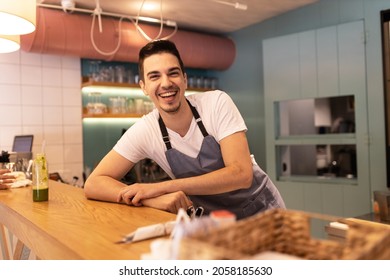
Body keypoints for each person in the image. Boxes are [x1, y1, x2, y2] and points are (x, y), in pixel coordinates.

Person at [84, 40, 285, 219]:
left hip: (264, 213)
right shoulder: (145, 130)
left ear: (185, 79)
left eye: (173, 73)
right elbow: (94, 183)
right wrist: (150, 200)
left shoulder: (216, 103)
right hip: (213, 224)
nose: (166, 83)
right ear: (143, 87)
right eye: (154, 76)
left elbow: (241, 174)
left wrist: (161, 188)